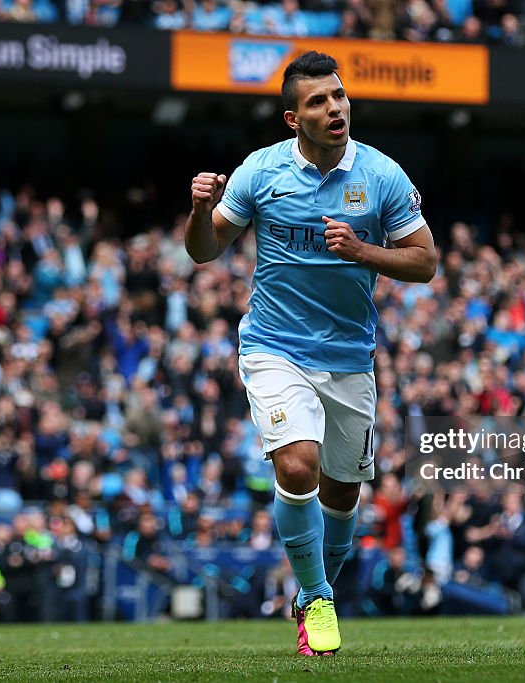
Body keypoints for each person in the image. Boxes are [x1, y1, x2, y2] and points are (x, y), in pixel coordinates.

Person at [185, 51, 436, 655]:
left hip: (350, 355)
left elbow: (425, 262)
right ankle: (317, 600)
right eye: (319, 101)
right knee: (297, 463)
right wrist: (198, 209)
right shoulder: (261, 172)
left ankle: (313, 586)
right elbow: (204, 251)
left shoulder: (381, 176)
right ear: (293, 120)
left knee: (343, 495)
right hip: (275, 346)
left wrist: (364, 252)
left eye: (339, 95)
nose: (335, 108)